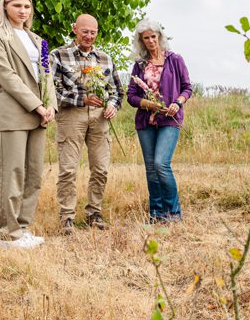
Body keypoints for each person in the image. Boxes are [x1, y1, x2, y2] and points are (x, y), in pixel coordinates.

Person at [0, 0, 57, 248]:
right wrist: (37, 105)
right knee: (12, 172)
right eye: (17, 6)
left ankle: (22, 228)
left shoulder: (39, 41)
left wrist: (51, 107)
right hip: (14, 112)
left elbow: (47, 75)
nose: (23, 11)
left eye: (26, 7)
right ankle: (7, 233)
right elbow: (6, 76)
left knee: (34, 174)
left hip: (40, 114)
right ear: (5, 6)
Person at [49, 14, 124, 233]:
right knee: (68, 169)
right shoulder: (58, 55)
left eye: (93, 32)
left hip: (100, 117)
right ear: (75, 29)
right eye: (85, 31)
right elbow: (51, 91)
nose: (89, 36)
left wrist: (112, 105)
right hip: (72, 116)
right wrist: (80, 99)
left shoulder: (105, 58)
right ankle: (67, 218)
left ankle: (94, 213)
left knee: (100, 168)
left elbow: (117, 91)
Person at [126, 19, 192, 223]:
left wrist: (177, 103)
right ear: (141, 41)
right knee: (151, 169)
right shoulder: (139, 65)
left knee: (161, 163)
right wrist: (149, 104)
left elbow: (187, 87)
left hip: (169, 120)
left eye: (153, 36)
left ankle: (173, 213)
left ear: (160, 37)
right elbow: (131, 95)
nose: (151, 40)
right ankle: (156, 214)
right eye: (146, 38)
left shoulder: (175, 59)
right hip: (146, 121)